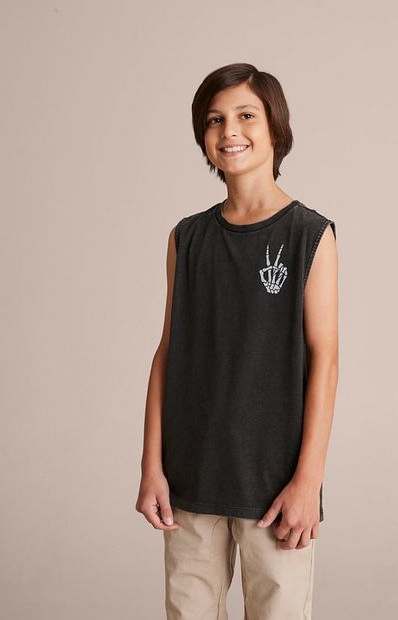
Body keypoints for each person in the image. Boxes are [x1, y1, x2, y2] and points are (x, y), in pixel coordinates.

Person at [135, 62, 339, 619]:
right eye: (214, 119)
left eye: (246, 115)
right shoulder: (187, 238)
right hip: (191, 480)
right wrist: (152, 467)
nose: (229, 131)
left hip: (274, 486)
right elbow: (167, 353)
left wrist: (309, 480)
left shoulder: (309, 235)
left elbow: (325, 360)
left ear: (275, 127)